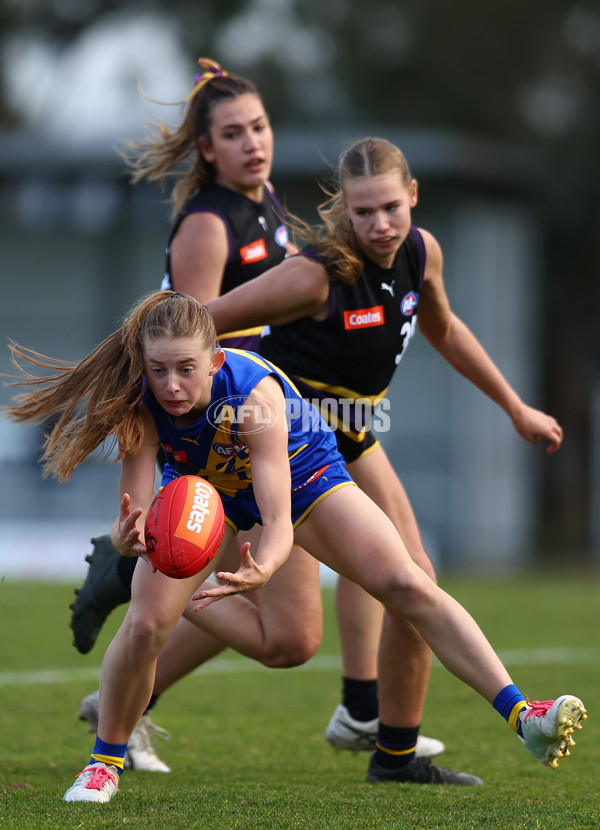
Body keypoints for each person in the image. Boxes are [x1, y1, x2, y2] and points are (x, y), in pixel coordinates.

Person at [89, 133, 568, 774]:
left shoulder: (422, 253)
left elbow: (445, 329)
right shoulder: (313, 275)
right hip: (269, 442)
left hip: (344, 437)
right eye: (364, 210)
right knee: (289, 629)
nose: (380, 223)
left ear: (413, 197)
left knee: (397, 581)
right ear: (343, 207)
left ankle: (388, 738)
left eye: (392, 207)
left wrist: (514, 406)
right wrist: (162, 379)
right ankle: (361, 715)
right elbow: (203, 321)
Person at [5, 291, 586, 803]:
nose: (172, 385)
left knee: (407, 583)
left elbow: (279, 516)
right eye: (159, 370)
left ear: (215, 360)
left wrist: (267, 567)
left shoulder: (253, 392)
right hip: (203, 492)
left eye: (186, 368)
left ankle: (523, 714)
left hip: (304, 479)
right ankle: (104, 764)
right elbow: (131, 507)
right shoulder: (141, 400)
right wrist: (123, 539)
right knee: (146, 623)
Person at [70, 57, 443, 768]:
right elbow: (186, 332)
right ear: (207, 149)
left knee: (312, 614)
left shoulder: (267, 204)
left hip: (280, 418)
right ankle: (131, 692)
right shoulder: (210, 224)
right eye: (234, 133)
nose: (254, 143)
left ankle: (357, 709)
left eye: (261, 127)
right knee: (283, 608)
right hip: (232, 431)